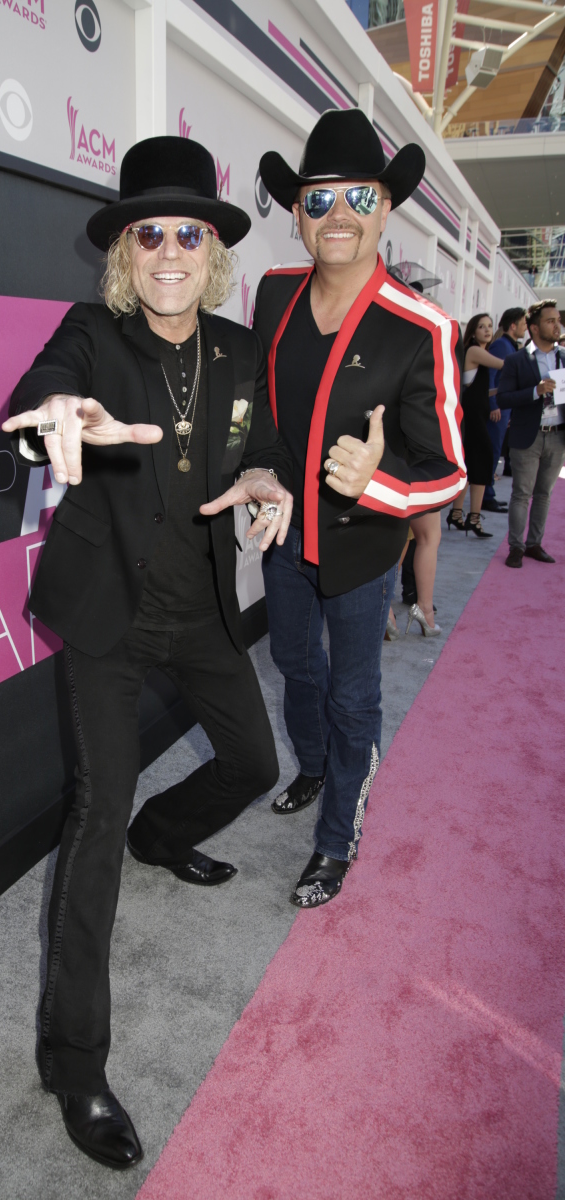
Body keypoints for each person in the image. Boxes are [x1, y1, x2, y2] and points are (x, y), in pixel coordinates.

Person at [1, 136, 293, 1170]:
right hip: (108, 619)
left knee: (257, 765)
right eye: (147, 232)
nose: (169, 247)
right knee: (93, 817)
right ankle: (72, 1063)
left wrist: (268, 480)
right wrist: (50, 422)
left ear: (211, 248)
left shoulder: (237, 347)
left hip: (204, 608)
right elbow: (33, 409)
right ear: (125, 251)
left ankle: (164, 833)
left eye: (188, 230)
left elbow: (255, 445)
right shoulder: (90, 333)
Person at [255, 108, 465, 907]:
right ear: (297, 213)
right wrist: (265, 475)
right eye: (318, 199)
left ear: (385, 206)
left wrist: (376, 480)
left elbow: (448, 471)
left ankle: (338, 836)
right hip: (284, 542)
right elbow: (266, 416)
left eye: (357, 197)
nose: (337, 214)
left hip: (364, 549)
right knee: (295, 667)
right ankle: (313, 766)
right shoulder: (273, 297)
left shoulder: (423, 327)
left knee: (352, 693)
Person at [497, 299, 564, 567]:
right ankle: (516, 547)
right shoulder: (516, 360)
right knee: (521, 493)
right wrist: (535, 391)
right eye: (550, 321)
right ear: (534, 328)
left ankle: (535, 544)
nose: (556, 325)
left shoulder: (563, 357)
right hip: (528, 434)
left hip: (558, 435)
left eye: (557, 320)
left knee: (544, 493)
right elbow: (502, 399)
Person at [447, 313, 504, 538]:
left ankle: (458, 514)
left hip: (473, 415)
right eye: (482, 326)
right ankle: (473, 519)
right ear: (473, 330)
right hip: (471, 417)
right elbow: (504, 365)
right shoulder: (474, 350)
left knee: (472, 464)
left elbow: (478, 389)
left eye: (490, 326)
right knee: (481, 463)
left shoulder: (476, 351)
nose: (487, 330)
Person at [483, 307, 527, 512]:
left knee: (495, 449)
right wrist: (494, 405)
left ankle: (488, 492)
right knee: (491, 451)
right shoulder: (501, 345)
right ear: (513, 325)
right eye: (524, 323)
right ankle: (486, 495)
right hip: (497, 408)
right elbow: (490, 376)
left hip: (503, 408)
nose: (526, 327)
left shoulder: (508, 345)